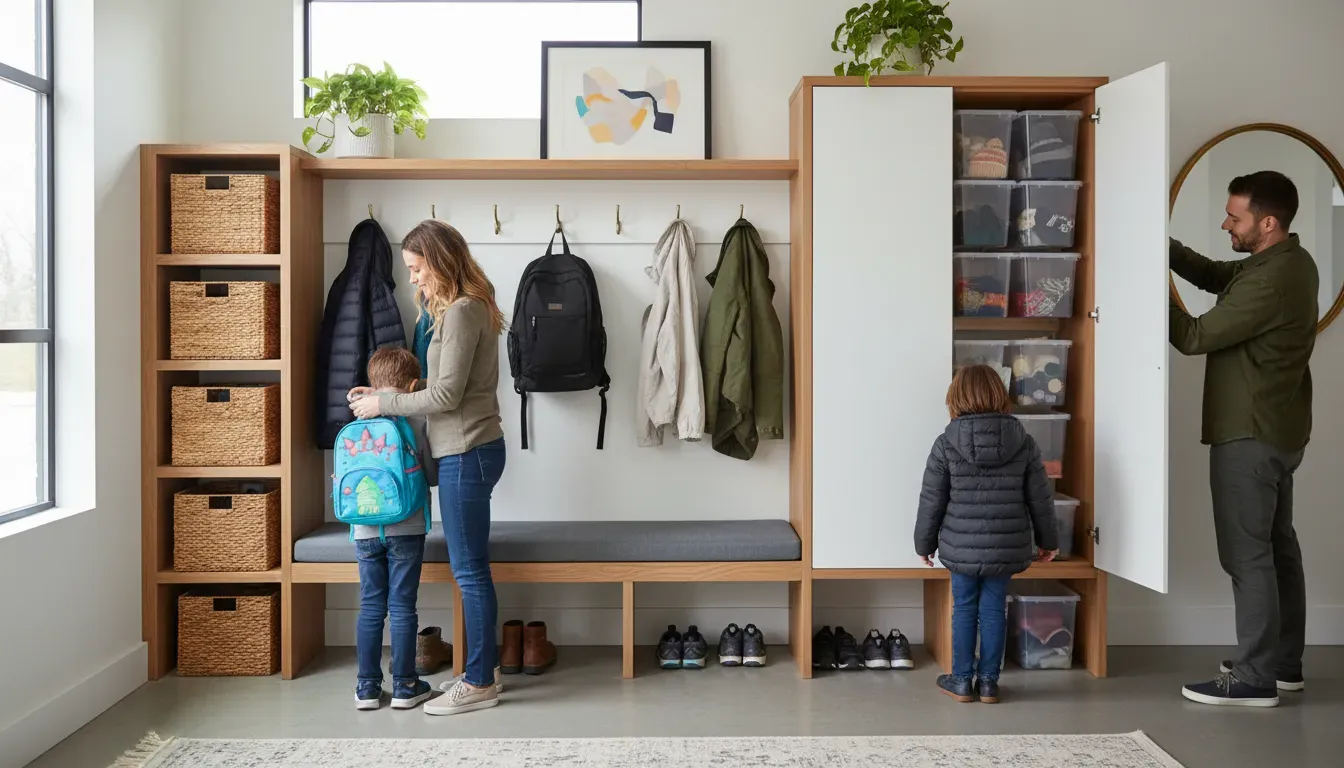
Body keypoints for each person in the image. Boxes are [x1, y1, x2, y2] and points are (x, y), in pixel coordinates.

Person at [1169, 171, 1317, 708]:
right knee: (1278, 551)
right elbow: (1214, 274)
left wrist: (1146, 281)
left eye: (1236, 217)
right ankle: (1282, 665)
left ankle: (1255, 679)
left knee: (1246, 556)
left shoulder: (1270, 280)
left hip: (1248, 433)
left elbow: (1193, 336)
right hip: (1276, 429)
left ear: (1268, 223)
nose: (1226, 222)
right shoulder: (1285, 262)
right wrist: (1160, 247)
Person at [350, 219, 507, 716]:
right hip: (467, 451)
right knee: (471, 569)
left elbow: (446, 396)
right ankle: (483, 670)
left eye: (417, 269)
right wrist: (385, 395)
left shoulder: (462, 312)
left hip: (468, 451)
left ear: (439, 262)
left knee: (469, 571)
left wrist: (384, 406)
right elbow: (434, 390)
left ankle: (480, 681)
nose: (413, 280)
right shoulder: (459, 310)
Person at [914, 365, 1058, 704]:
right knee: (994, 609)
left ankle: (962, 680)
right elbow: (1040, 497)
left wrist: (924, 544)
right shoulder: (1023, 441)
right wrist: (1048, 541)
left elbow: (932, 499)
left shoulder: (946, 443)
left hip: (960, 546)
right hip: (1007, 545)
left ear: (956, 398)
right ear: (999, 394)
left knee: (964, 608)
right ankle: (989, 683)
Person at [347, 347, 438, 712]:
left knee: (370, 607)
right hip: (408, 524)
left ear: (373, 383)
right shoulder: (417, 417)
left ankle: (367, 688)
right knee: (402, 607)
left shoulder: (357, 416)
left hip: (365, 527)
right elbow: (430, 474)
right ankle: (405, 685)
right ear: (414, 384)